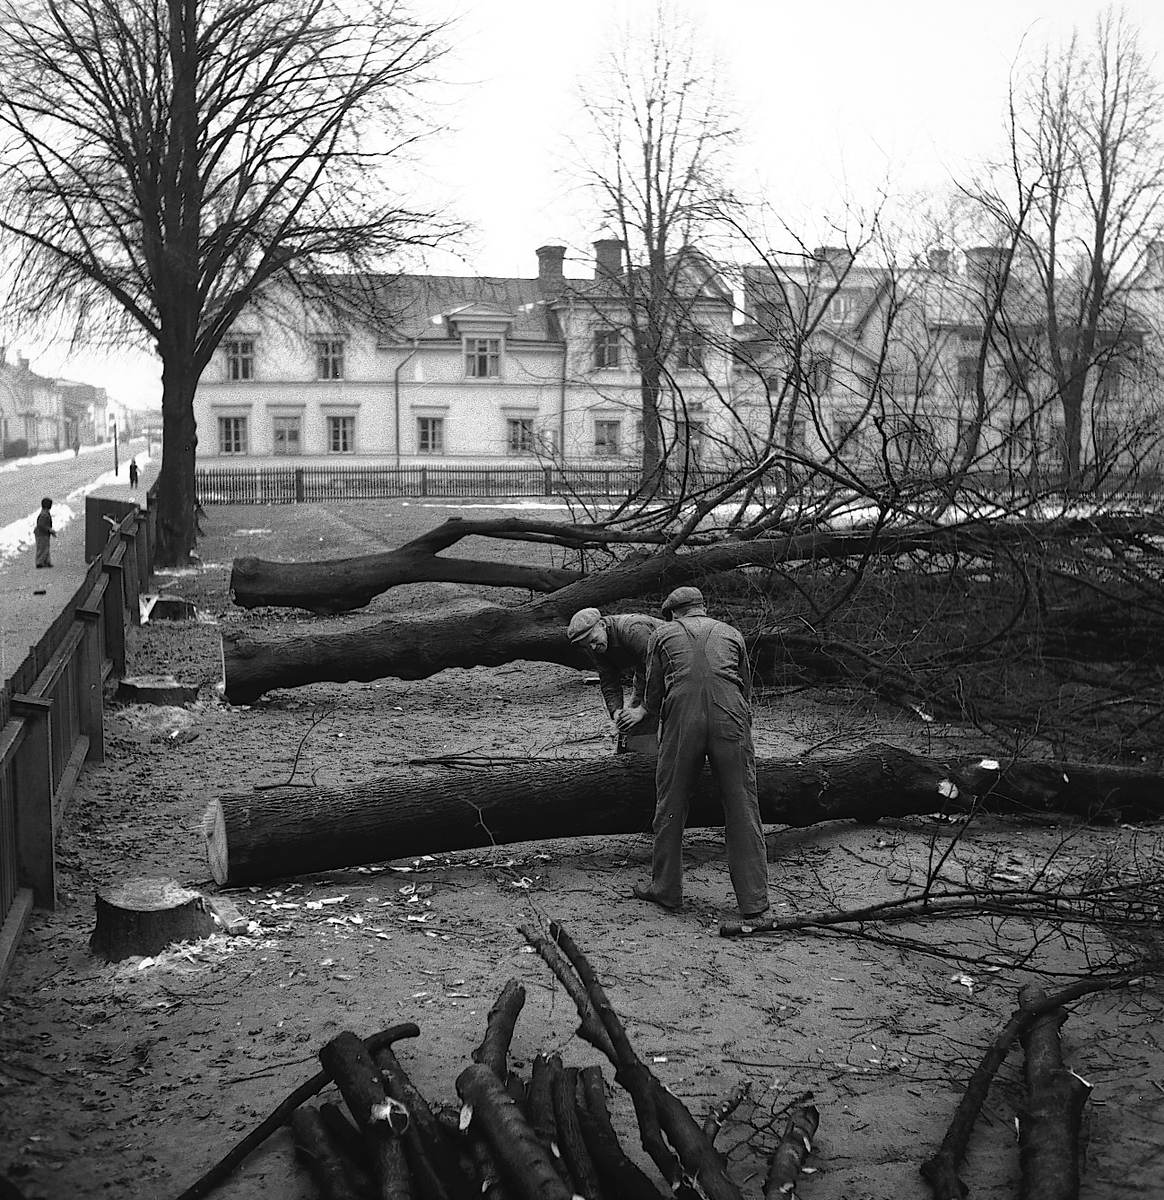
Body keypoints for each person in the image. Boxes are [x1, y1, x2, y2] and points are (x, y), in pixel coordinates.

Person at [617, 586, 769, 919]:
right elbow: (745, 686)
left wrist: (644, 712)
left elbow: (654, 693)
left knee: (671, 801)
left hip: (684, 716)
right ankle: (753, 898)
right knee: (742, 803)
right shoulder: (732, 633)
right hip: (730, 713)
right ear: (701, 608)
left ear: (674, 613)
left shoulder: (662, 634)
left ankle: (666, 888)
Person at [567, 607, 663, 752]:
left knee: (669, 720)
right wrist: (616, 712)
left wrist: (643, 709)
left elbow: (656, 671)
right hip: (646, 673)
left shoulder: (634, 630)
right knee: (630, 724)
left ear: (602, 625)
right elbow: (609, 680)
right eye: (588, 645)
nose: (593, 647)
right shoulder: (597, 646)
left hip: (677, 670)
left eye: (593, 640)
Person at [34, 497, 56, 568]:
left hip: (44, 534)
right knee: (42, 548)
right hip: (41, 534)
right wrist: (49, 530)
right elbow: (40, 525)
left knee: (45, 548)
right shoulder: (44, 515)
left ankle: (46, 562)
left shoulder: (44, 513)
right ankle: (40, 562)